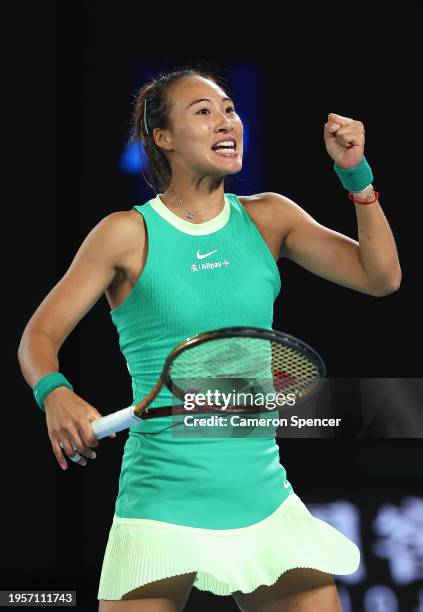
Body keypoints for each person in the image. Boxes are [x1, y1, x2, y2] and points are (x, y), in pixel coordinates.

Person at [17, 65, 401, 612]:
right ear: (163, 138)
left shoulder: (270, 219)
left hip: (261, 494)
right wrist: (55, 393)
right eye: (203, 112)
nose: (227, 121)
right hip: (162, 497)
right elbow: (39, 335)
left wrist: (356, 176)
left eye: (229, 108)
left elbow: (381, 277)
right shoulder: (126, 233)